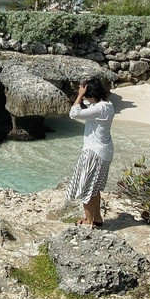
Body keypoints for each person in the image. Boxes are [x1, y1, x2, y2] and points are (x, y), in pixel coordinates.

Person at [65, 78, 114, 227]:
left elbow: (73, 113)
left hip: (94, 152)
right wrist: (82, 95)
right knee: (95, 187)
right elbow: (85, 107)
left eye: (86, 94)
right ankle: (97, 218)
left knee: (86, 186)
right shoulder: (107, 106)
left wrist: (80, 94)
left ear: (90, 94)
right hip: (105, 151)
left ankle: (88, 221)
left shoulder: (99, 109)